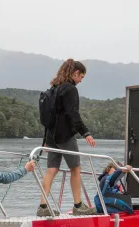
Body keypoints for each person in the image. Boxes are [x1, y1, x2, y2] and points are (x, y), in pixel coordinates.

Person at [37, 59, 97, 217]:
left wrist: (45, 138)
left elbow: (49, 116)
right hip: (65, 136)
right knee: (75, 169)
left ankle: (43, 206)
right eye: (81, 77)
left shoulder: (54, 88)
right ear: (75, 73)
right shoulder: (70, 89)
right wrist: (86, 133)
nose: (80, 81)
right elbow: (73, 114)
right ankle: (78, 205)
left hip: (51, 137)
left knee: (51, 170)